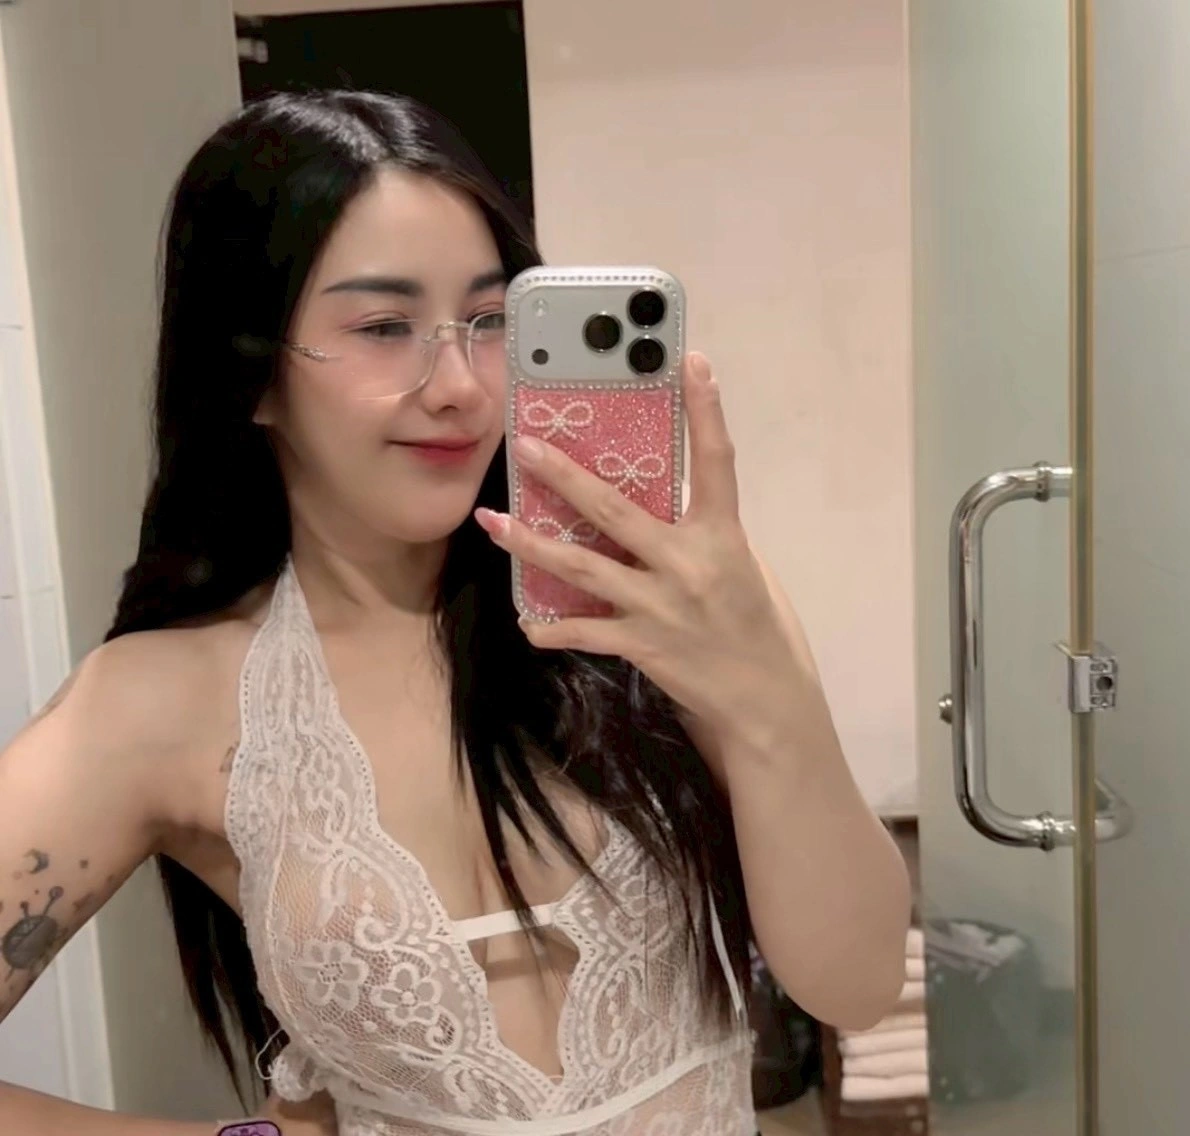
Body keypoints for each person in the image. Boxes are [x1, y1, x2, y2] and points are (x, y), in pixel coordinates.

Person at [0, 91, 910, 1135]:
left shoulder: (668, 598)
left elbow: (855, 983)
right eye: (384, 327)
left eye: (490, 322)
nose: (461, 386)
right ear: (251, 375)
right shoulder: (162, 701)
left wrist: (769, 694)